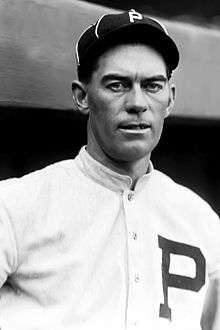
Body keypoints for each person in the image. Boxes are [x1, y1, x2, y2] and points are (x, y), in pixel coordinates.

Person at [0, 9, 219, 330]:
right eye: (117, 85)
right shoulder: (16, 204)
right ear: (82, 96)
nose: (137, 102)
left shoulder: (200, 218)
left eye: (153, 85)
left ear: (170, 100)